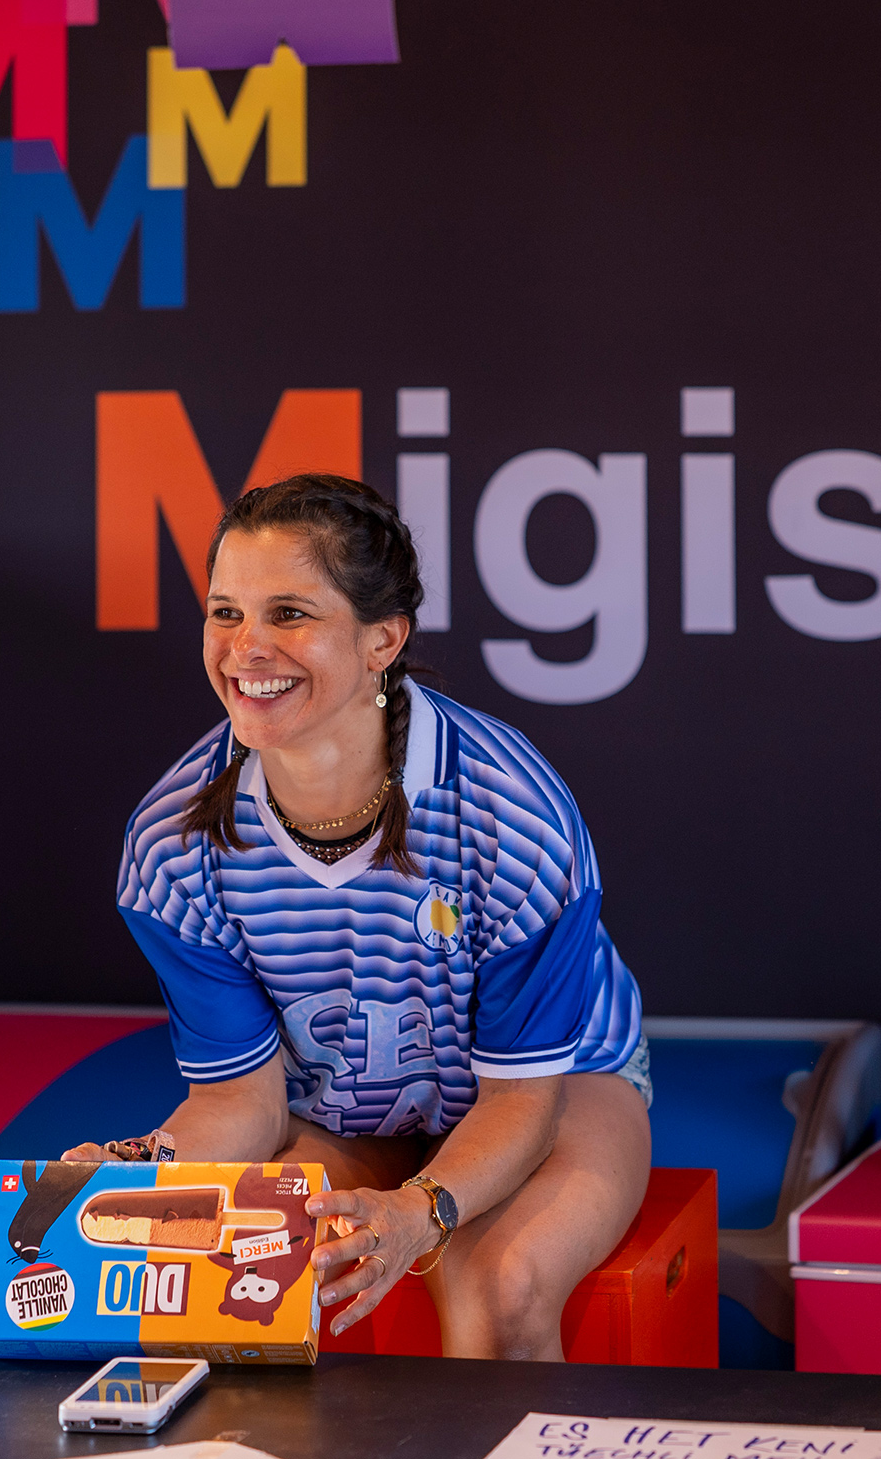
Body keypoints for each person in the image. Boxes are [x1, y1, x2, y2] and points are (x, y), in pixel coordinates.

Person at [98, 474, 651, 1360]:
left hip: (549, 1090)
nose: (246, 648)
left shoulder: (513, 816)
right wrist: (131, 1173)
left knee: (497, 1285)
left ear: (382, 639)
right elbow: (241, 1097)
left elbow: (521, 1097)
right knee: (257, 1266)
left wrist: (418, 1213)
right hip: (345, 1109)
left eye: (289, 614)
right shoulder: (172, 843)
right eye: (225, 613)